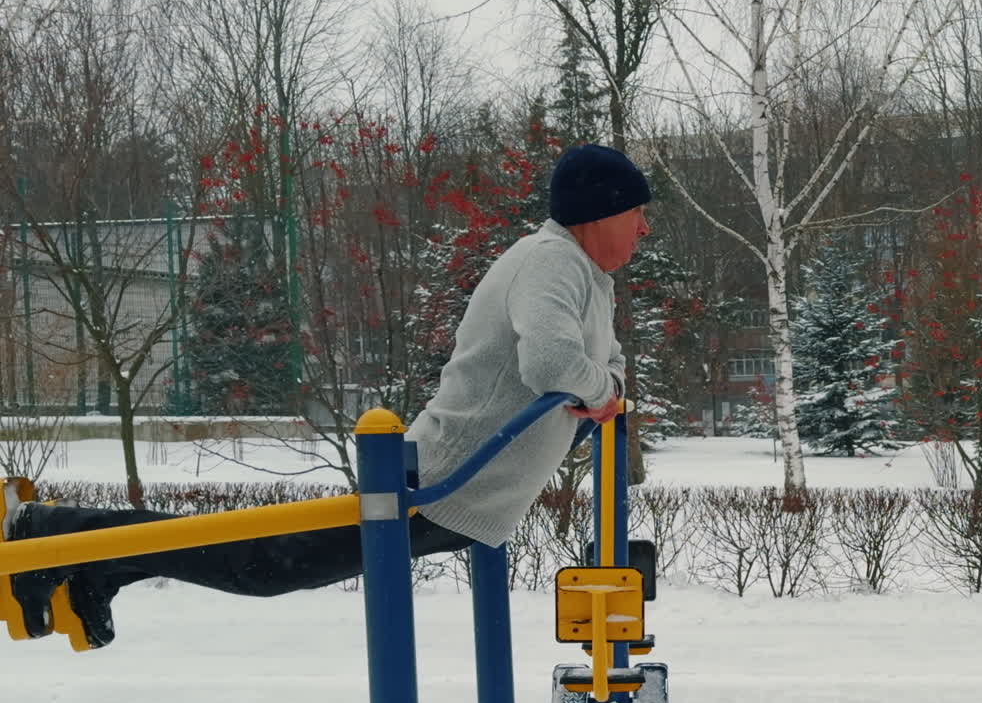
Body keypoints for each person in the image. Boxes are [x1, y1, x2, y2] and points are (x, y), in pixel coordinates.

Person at [2, 143, 652, 648]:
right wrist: (597, 391)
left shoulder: (592, 280)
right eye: (637, 213)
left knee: (264, 562)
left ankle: (94, 568)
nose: (643, 229)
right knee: (263, 564)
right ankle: (54, 534)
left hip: (461, 496)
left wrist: (605, 390)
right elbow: (551, 363)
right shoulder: (550, 261)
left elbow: (606, 366)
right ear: (601, 212)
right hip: (438, 481)